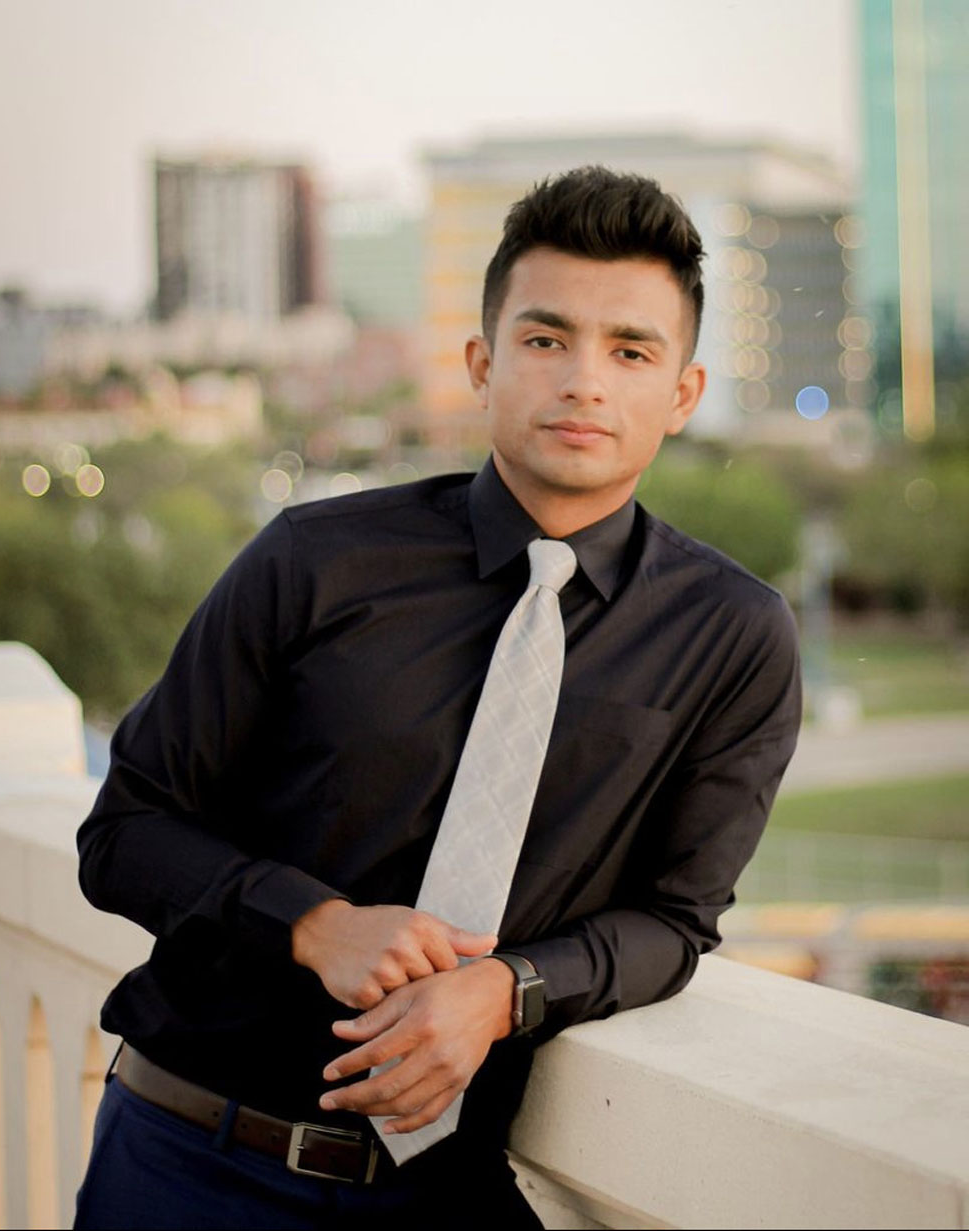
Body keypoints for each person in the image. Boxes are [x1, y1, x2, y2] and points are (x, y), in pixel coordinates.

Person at [75, 165, 801, 1229]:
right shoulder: (312, 561)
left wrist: (506, 989)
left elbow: (674, 921)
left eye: (630, 350)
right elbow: (124, 831)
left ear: (681, 394)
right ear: (482, 362)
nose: (584, 381)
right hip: (191, 1161)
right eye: (546, 339)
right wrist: (313, 922)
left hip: (441, 1191)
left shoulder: (731, 636)